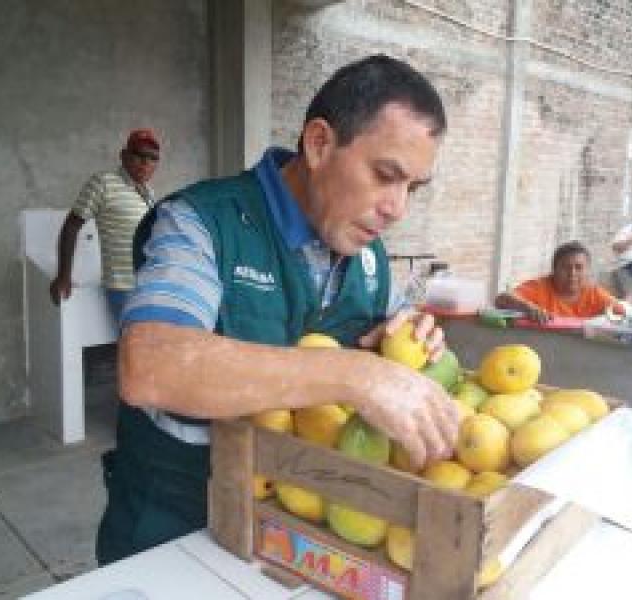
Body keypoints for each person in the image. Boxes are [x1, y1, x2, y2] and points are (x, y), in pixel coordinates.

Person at [96, 55, 460, 565]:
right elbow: (151, 363)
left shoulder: (368, 255)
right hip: (177, 532)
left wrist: (416, 333)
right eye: (385, 175)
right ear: (318, 143)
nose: (397, 208)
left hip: (302, 537)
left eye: (412, 188)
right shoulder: (201, 223)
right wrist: (355, 374)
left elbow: (395, 333)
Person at [49, 129, 161, 321]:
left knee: (145, 346)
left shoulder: (148, 192)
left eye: (152, 158)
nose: (145, 163)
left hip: (148, 285)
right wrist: (63, 276)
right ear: (124, 156)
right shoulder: (103, 183)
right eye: (139, 155)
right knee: (135, 345)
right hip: (123, 288)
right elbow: (71, 226)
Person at [495, 241, 623, 323]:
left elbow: (621, 313)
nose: (572, 273)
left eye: (578, 268)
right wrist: (528, 307)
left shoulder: (595, 293)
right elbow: (501, 299)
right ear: (554, 270)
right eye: (565, 267)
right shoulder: (539, 287)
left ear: (587, 270)